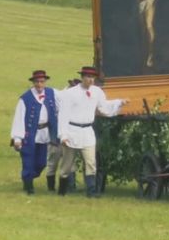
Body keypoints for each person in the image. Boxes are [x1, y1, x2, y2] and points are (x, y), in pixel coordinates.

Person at [57, 66, 128, 197]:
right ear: (82, 78)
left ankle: (91, 191)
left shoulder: (97, 92)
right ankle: (62, 190)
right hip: (72, 130)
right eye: (88, 77)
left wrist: (119, 103)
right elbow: (63, 115)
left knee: (91, 162)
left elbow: (104, 106)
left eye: (92, 78)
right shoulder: (70, 93)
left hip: (87, 131)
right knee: (67, 165)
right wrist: (63, 135)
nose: (91, 80)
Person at [10, 70, 58, 195]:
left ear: (45, 82)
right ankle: (29, 187)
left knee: (42, 162)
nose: (39, 84)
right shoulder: (25, 99)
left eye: (42, 82)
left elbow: (64, 100)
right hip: (30, 134)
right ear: (33, 82)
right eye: (37, 82)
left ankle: (29, 177)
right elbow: (19, 118)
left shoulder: (52, 93)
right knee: (28, 160)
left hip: (44, 133)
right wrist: (17, 138)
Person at [45, 78, 81, 192]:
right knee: (52, 163)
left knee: (70, 164)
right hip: (55, 137)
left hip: (69, 137)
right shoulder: (59, 97)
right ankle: (51, 188)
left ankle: (70, 186)